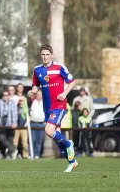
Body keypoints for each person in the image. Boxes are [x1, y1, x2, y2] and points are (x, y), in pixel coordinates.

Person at [29, 44, 77, 172]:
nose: (45, 57)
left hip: (59, 105)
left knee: (49, 131)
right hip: (47, 107)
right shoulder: (37, 70)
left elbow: (72, 81)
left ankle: (69, 144)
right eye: (43, 55)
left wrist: (64, 93)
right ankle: (72, 162)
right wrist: (32, 91)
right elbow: (35, 85)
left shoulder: (59, 67)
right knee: (57, 137)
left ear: (51, 55)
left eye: (47, 54)